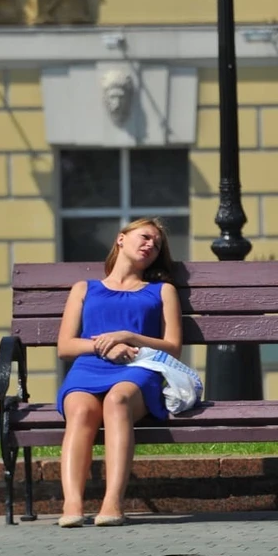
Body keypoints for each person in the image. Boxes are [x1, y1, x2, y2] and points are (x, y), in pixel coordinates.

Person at [55, 218, 182, 528]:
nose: (151, 245)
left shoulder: (161, 291)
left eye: (157, 244)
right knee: (82, 410)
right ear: (121, 239)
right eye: (145, 237)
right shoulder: (85, 289)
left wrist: (128, 336)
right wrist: (104, 347)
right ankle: (72, 502)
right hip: (88, 368)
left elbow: (173, 347)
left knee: (117, 400)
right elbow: (66, 346)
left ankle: (113, 501)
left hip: (140, 369)